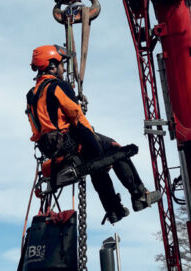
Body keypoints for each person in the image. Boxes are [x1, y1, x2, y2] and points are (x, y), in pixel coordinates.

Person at [26, 44, 161, 224]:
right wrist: (97, 149)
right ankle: (139, 195)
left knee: (94, 164)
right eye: (61, 64)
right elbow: (78, 118)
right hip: (67, 140)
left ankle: (114, 210)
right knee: (113, 149)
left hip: (48, 147)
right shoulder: (58, 86)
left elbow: (36, 127)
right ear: (51, 65)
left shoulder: (31, 94)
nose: (63, 69)